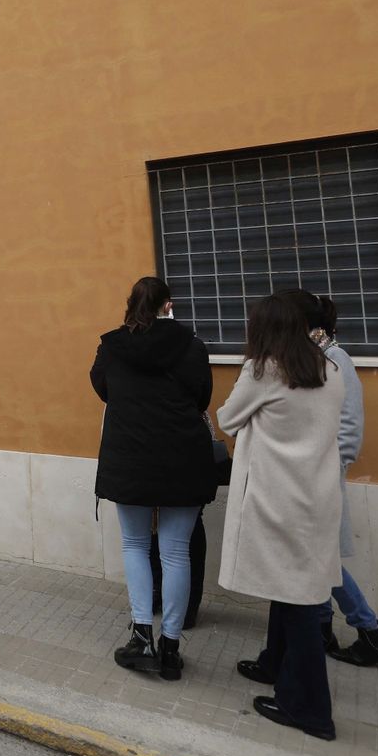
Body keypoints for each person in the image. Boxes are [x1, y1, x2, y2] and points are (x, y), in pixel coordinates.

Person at [221, 293, 346, 741]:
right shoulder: (329, 369)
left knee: (298, 603)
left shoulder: (264, 371)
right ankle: (274, 663)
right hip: (317, 496)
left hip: (277, 498)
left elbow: (227, 418)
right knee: (292, 588)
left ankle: (309, 708)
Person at [91, 277, 216, 681]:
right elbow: (202, 397)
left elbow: (102, 388)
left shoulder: (112, 346)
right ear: (168, 305)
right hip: (184, 458)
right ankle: (171, 649)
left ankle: (142, 637)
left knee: (135, 545)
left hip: (130, 458)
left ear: (131, 305)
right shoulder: (193, 346)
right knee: (176, 553)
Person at [282, 290, 378, 667]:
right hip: (302, 475)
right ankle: (326, 628)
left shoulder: (337, 359)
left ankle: (370, 631)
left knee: (322, 557)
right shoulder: (307, 358)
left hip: (321, 475)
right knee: (316, 555)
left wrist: (333, 466)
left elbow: (349, 425)